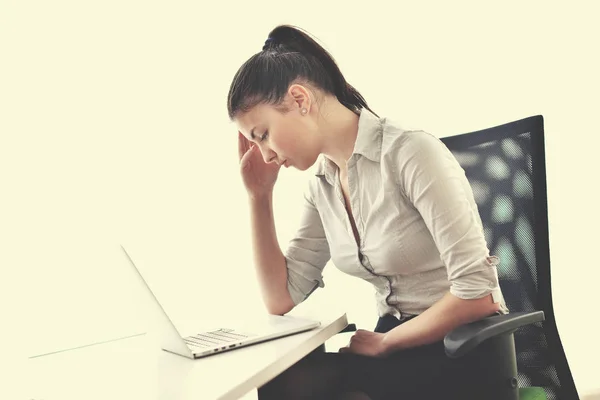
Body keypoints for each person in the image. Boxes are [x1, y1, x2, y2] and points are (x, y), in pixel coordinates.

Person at [227, 24, 509, 400]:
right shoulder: (323, 186)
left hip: (461, 349)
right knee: (284, 384)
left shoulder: (410, 152)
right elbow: (281, 298)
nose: (263, 153)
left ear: (299, 99)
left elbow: (478, 294)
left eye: (262, 134)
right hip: (393, 347)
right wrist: (258, 197)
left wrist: (387, 344)